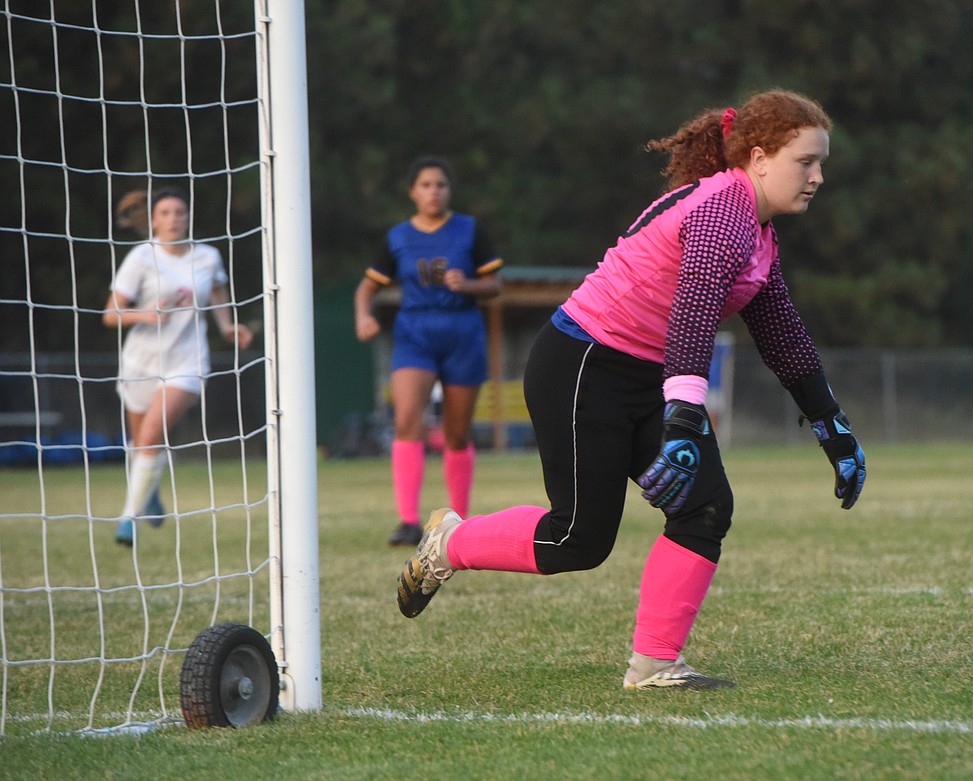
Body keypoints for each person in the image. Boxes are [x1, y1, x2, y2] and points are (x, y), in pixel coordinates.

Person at [394, 89, 866, 691]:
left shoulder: (758, 232)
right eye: (807, 162)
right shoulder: (723, 210)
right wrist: (684, 418)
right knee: (578, 538)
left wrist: (834, 428)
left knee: (705, 507)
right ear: (758, 157)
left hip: (647, 373)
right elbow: (693, 314)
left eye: (822, 163)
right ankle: (449, 543)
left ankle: (655, 665)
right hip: (584, 363)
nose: (818, 177)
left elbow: (783, 337)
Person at [354, 156, 503, 547]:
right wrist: (363, 316)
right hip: (415, 332)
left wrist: (467, 284)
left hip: (461, 334)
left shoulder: (470, 230)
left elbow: (494, 286)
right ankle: (407, 520)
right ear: (412, 192)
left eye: (440, 185)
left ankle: (458, 522)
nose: (433, 191)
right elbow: (367, 287)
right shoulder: (398, 237)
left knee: (456, 433)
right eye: (425, 185)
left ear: (449, 191)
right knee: (407, 420)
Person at [103, 187, 253, 546]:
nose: (173, 219)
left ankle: (128, 519)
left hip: (187, 360)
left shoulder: (208, 257)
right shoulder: (141, 257)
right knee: (140, 443)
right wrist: (144, 314)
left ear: (188, 217)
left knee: (152, 435)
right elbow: (111, 313)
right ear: (153, 220)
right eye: (166, 213)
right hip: (140, 361)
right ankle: (149, 489)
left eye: (180, 212)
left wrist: (228, 326)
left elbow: (218, 293)